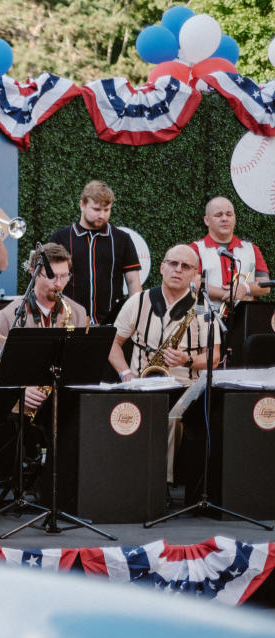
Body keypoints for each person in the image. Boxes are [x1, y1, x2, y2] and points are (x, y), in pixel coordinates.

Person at [108, 244, 221, 483]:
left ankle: (161, 483)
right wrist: (126, 374)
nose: (178, 270)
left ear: (194, 275)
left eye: (186, 266)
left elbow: (213, 356)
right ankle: (124, 480)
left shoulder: (202, 308)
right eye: (173, 263)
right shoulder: (138, 302)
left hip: (185, 388)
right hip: (139, 384)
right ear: (161, 267)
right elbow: (112, 344)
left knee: (170, 417)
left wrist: (187, 359)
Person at [0, 243, 88, 414]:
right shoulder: (9, 314)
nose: (59, 283)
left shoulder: (77, 312)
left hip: (64, 406)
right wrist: (20, 387)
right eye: (52, 276)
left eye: (64, 276)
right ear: (34, 274)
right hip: (20, 410)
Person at [47, 180, 141, 326]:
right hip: (68, 322)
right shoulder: (61, 237)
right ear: (82, 205)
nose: (102, 215)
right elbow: (47, 279)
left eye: (107, 210)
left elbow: (133, 281)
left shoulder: (122, 239)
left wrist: (136, 317)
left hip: (112, 324)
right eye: (96, 209)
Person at [194, 195, 270, 313]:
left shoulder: (252, 249)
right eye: (218, 215)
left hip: (245, 322)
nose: (225, 218)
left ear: (234, 218)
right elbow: (193, 284)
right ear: (207, 220)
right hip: (207, 322)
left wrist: (245, 289)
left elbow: (266, 286)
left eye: (229, 214)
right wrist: (229, 294)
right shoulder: (194, 249)